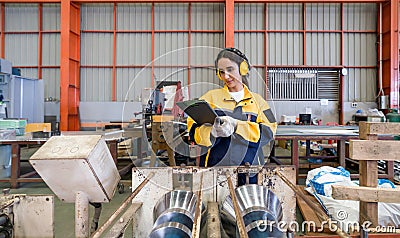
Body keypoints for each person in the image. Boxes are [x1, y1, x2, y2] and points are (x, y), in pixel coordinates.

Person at [187, 47, 277, 185]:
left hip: (249, 172)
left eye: (230, 70)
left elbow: (268, 133)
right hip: (215, 171)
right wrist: (210, 132)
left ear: (243, 69)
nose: (226, 76)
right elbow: (192, 129)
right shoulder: (209, 98)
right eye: (221, 72)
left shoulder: (259, 102)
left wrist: (237, 126)